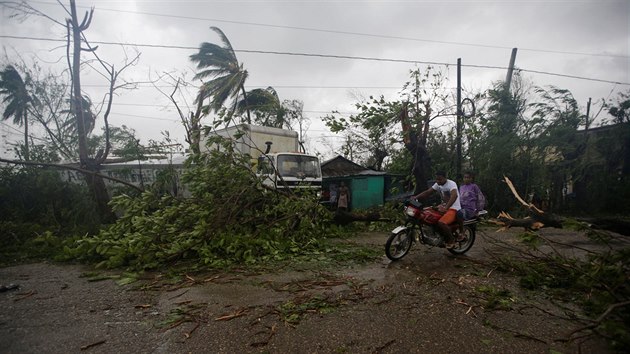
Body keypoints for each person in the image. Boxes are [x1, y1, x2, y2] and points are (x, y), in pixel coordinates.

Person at [413, 171, 461, 248]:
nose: (438, 181)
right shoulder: (438, 184)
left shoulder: (451, 184)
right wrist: (415, 197)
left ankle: (451, 240)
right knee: (425, 214)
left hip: (453, 208)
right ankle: (434, 235)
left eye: (440, 179)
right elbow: (428, 192)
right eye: (437, 179)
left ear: (445, 178)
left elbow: (454, 196)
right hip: (442, 207)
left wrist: (446, 208)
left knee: (441, 222)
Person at [457, 171, 485, 235]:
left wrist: (478, 210)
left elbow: (480, 198)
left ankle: (462, 233)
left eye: (468, 177)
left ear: (471, 179)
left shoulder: (474, 186)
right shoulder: (461, 187)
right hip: (461, 208)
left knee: (460, 214)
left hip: (470, 209)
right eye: (465, 177)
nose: (466, 179)